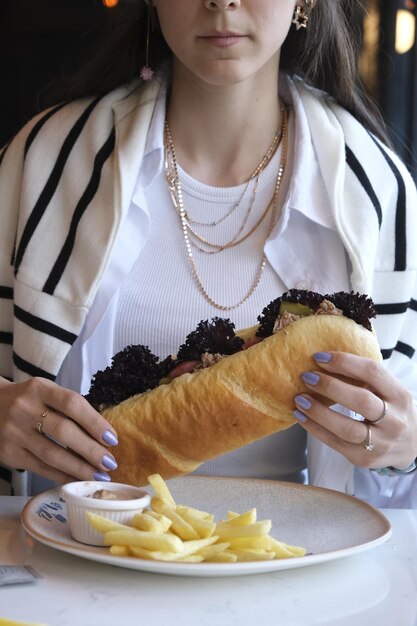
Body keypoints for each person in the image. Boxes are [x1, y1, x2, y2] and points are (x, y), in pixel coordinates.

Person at [0, 0, 416, 506]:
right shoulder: (42, 164)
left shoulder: (379, 191)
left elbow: (401, 465)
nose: (222, 1)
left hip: (296, 567)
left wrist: (404, 445)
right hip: (70, 561)